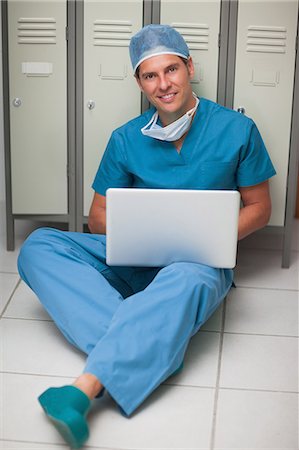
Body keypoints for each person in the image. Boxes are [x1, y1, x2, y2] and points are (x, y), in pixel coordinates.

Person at [18, 24, 276, 449]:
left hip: (195, 263)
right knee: (40, 245)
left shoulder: (237, 129)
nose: (164, 84)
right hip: (134, 256)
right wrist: (141, 227)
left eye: (171, 70)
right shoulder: (125, 138)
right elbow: (97, 217)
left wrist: (206, 237)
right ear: (139, 82)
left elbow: (260, 209)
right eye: (150, 76)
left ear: (190, 67)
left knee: (191, 277)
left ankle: (86, 385)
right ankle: (156, 340)